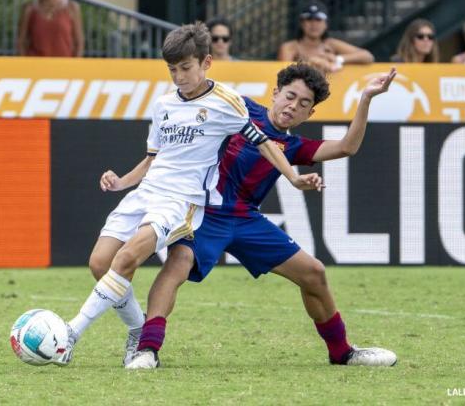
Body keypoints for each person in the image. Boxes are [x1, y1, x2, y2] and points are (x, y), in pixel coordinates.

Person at [55, 23, 322, 366]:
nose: (178, 76)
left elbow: (264, 142)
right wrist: (121, 182)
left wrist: (293, 178)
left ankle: (70, 334)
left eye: (185, 68)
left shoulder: (227, 102)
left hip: (182, 200)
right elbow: (153, 159)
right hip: (147, 192)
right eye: (172, 69)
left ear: (206, 62)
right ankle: (138, 330)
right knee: (100, 263)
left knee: (127, 258)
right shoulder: (164, 104)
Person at [125, 63, 398, 369]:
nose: (293, 106)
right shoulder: (238, 108)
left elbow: (348, 147)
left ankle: (342, 352)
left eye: (304, 104)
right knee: (178, 263)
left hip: (246, 220)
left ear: (309, 115)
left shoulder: (293, 146)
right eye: (290, 96)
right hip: (205, 212)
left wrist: (366, 99)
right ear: (275, 93)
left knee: (314, 273)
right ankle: (147, 350)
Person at [278, 0, 374, 73]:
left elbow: (367, 56)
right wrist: (313, 63)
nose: (314, 24)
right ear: (302, 23)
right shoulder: (291, 47)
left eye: (318, 19)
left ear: (326, 24)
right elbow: (285, 73)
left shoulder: (331, 44)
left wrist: (337, 59)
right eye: (309, 19)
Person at [17, 0, 85, 57]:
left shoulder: (72, 7)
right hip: (36, 66)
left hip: (63, 66)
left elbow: (79, 42)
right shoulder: (29, 8)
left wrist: (74, 65)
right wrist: (25, 63)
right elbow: (20, 41)